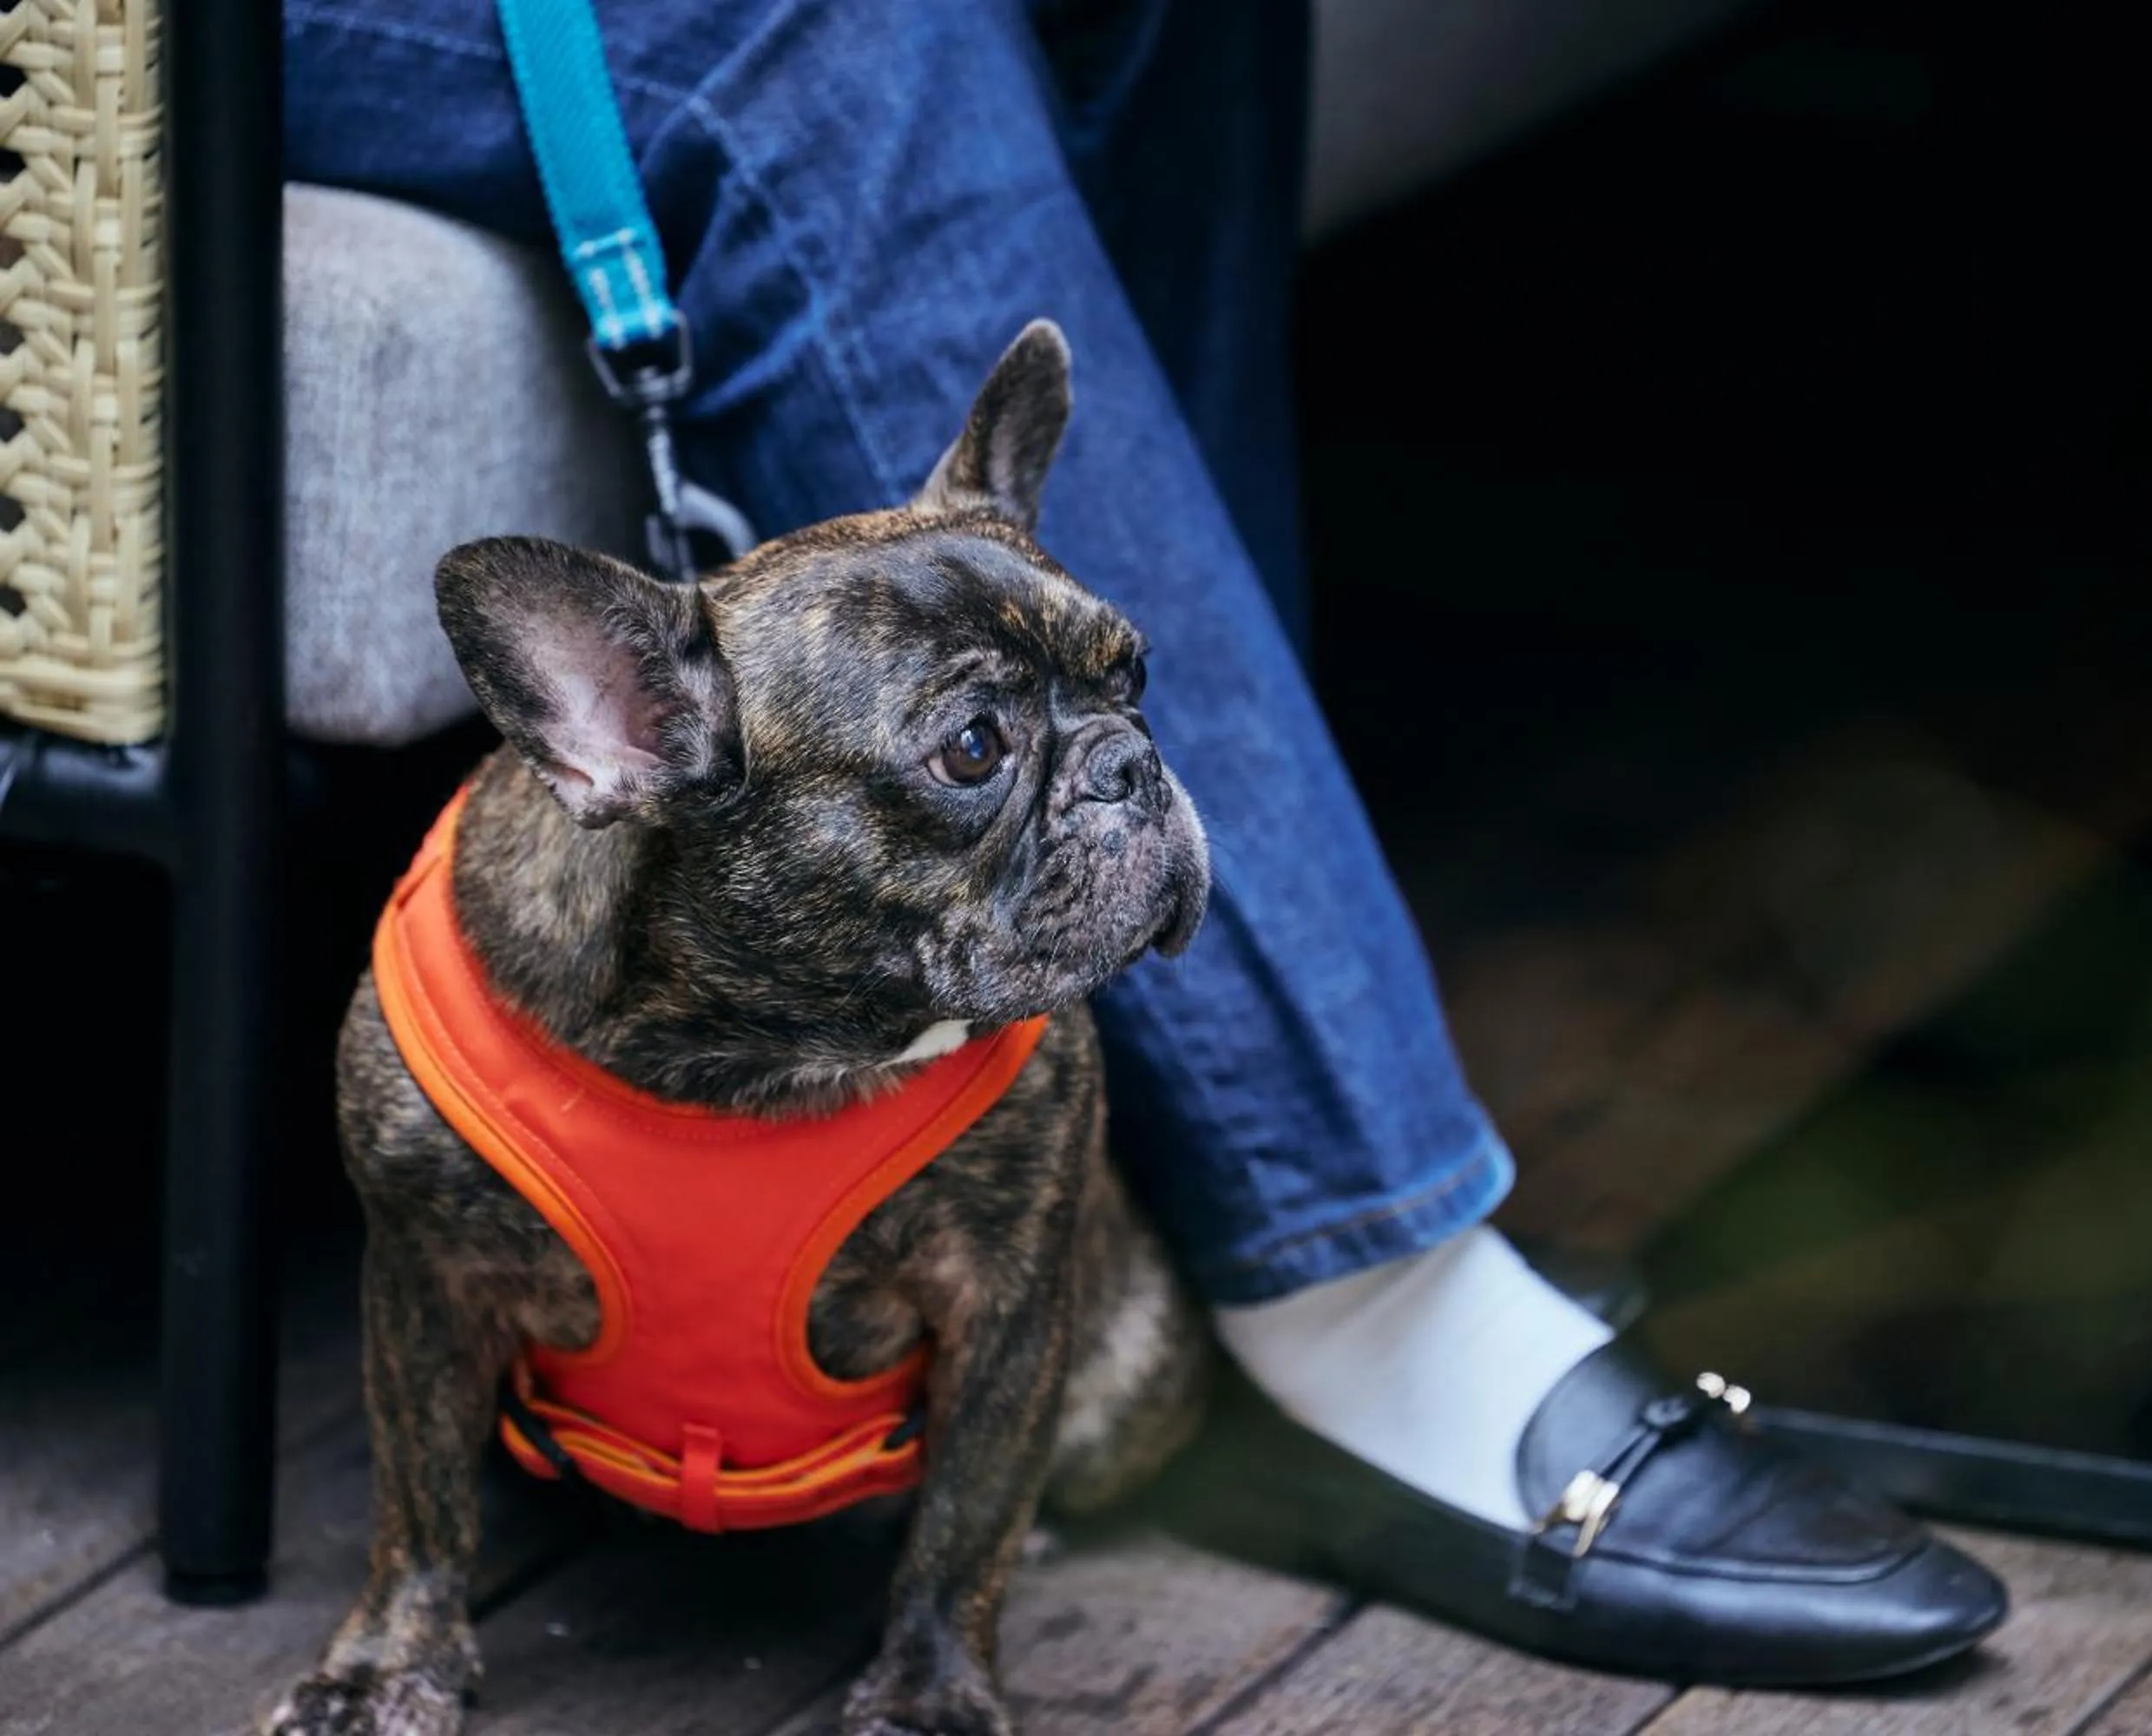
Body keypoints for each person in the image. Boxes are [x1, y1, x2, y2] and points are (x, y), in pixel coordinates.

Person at [284, 0, 2006, 1682]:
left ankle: (1220, 1053)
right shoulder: (481, 989)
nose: (1123, 780)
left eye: (1118, 699)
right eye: (976, 748)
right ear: (618, 734)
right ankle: (1368, 1280)